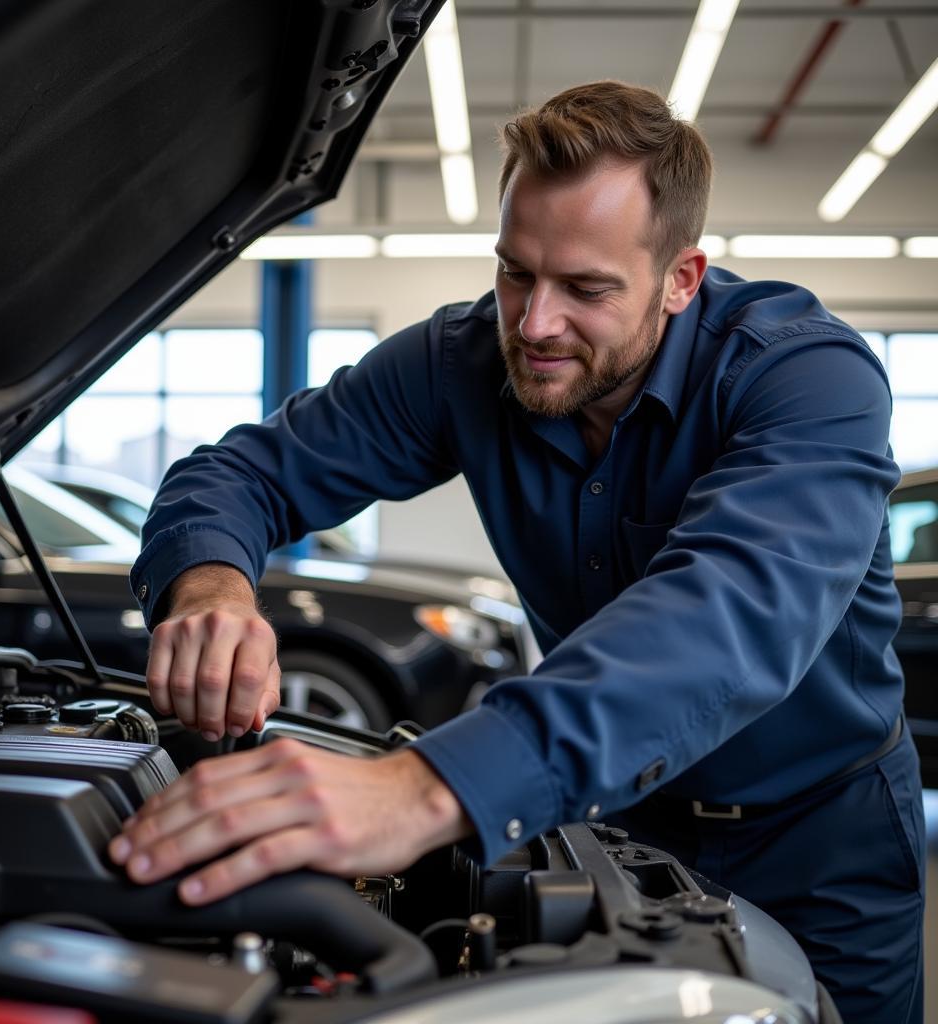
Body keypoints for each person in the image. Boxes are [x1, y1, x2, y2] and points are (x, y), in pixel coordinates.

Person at [108, 81, 924, 1022]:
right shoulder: (459, 363)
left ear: (681, 280)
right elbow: (240, 475)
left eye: (585, 289)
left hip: (823, 835)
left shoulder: (809, 378)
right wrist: (211, 587)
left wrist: (423, 791)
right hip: (615, 821)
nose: (534, 325)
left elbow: (728, 616)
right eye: (513, 273)